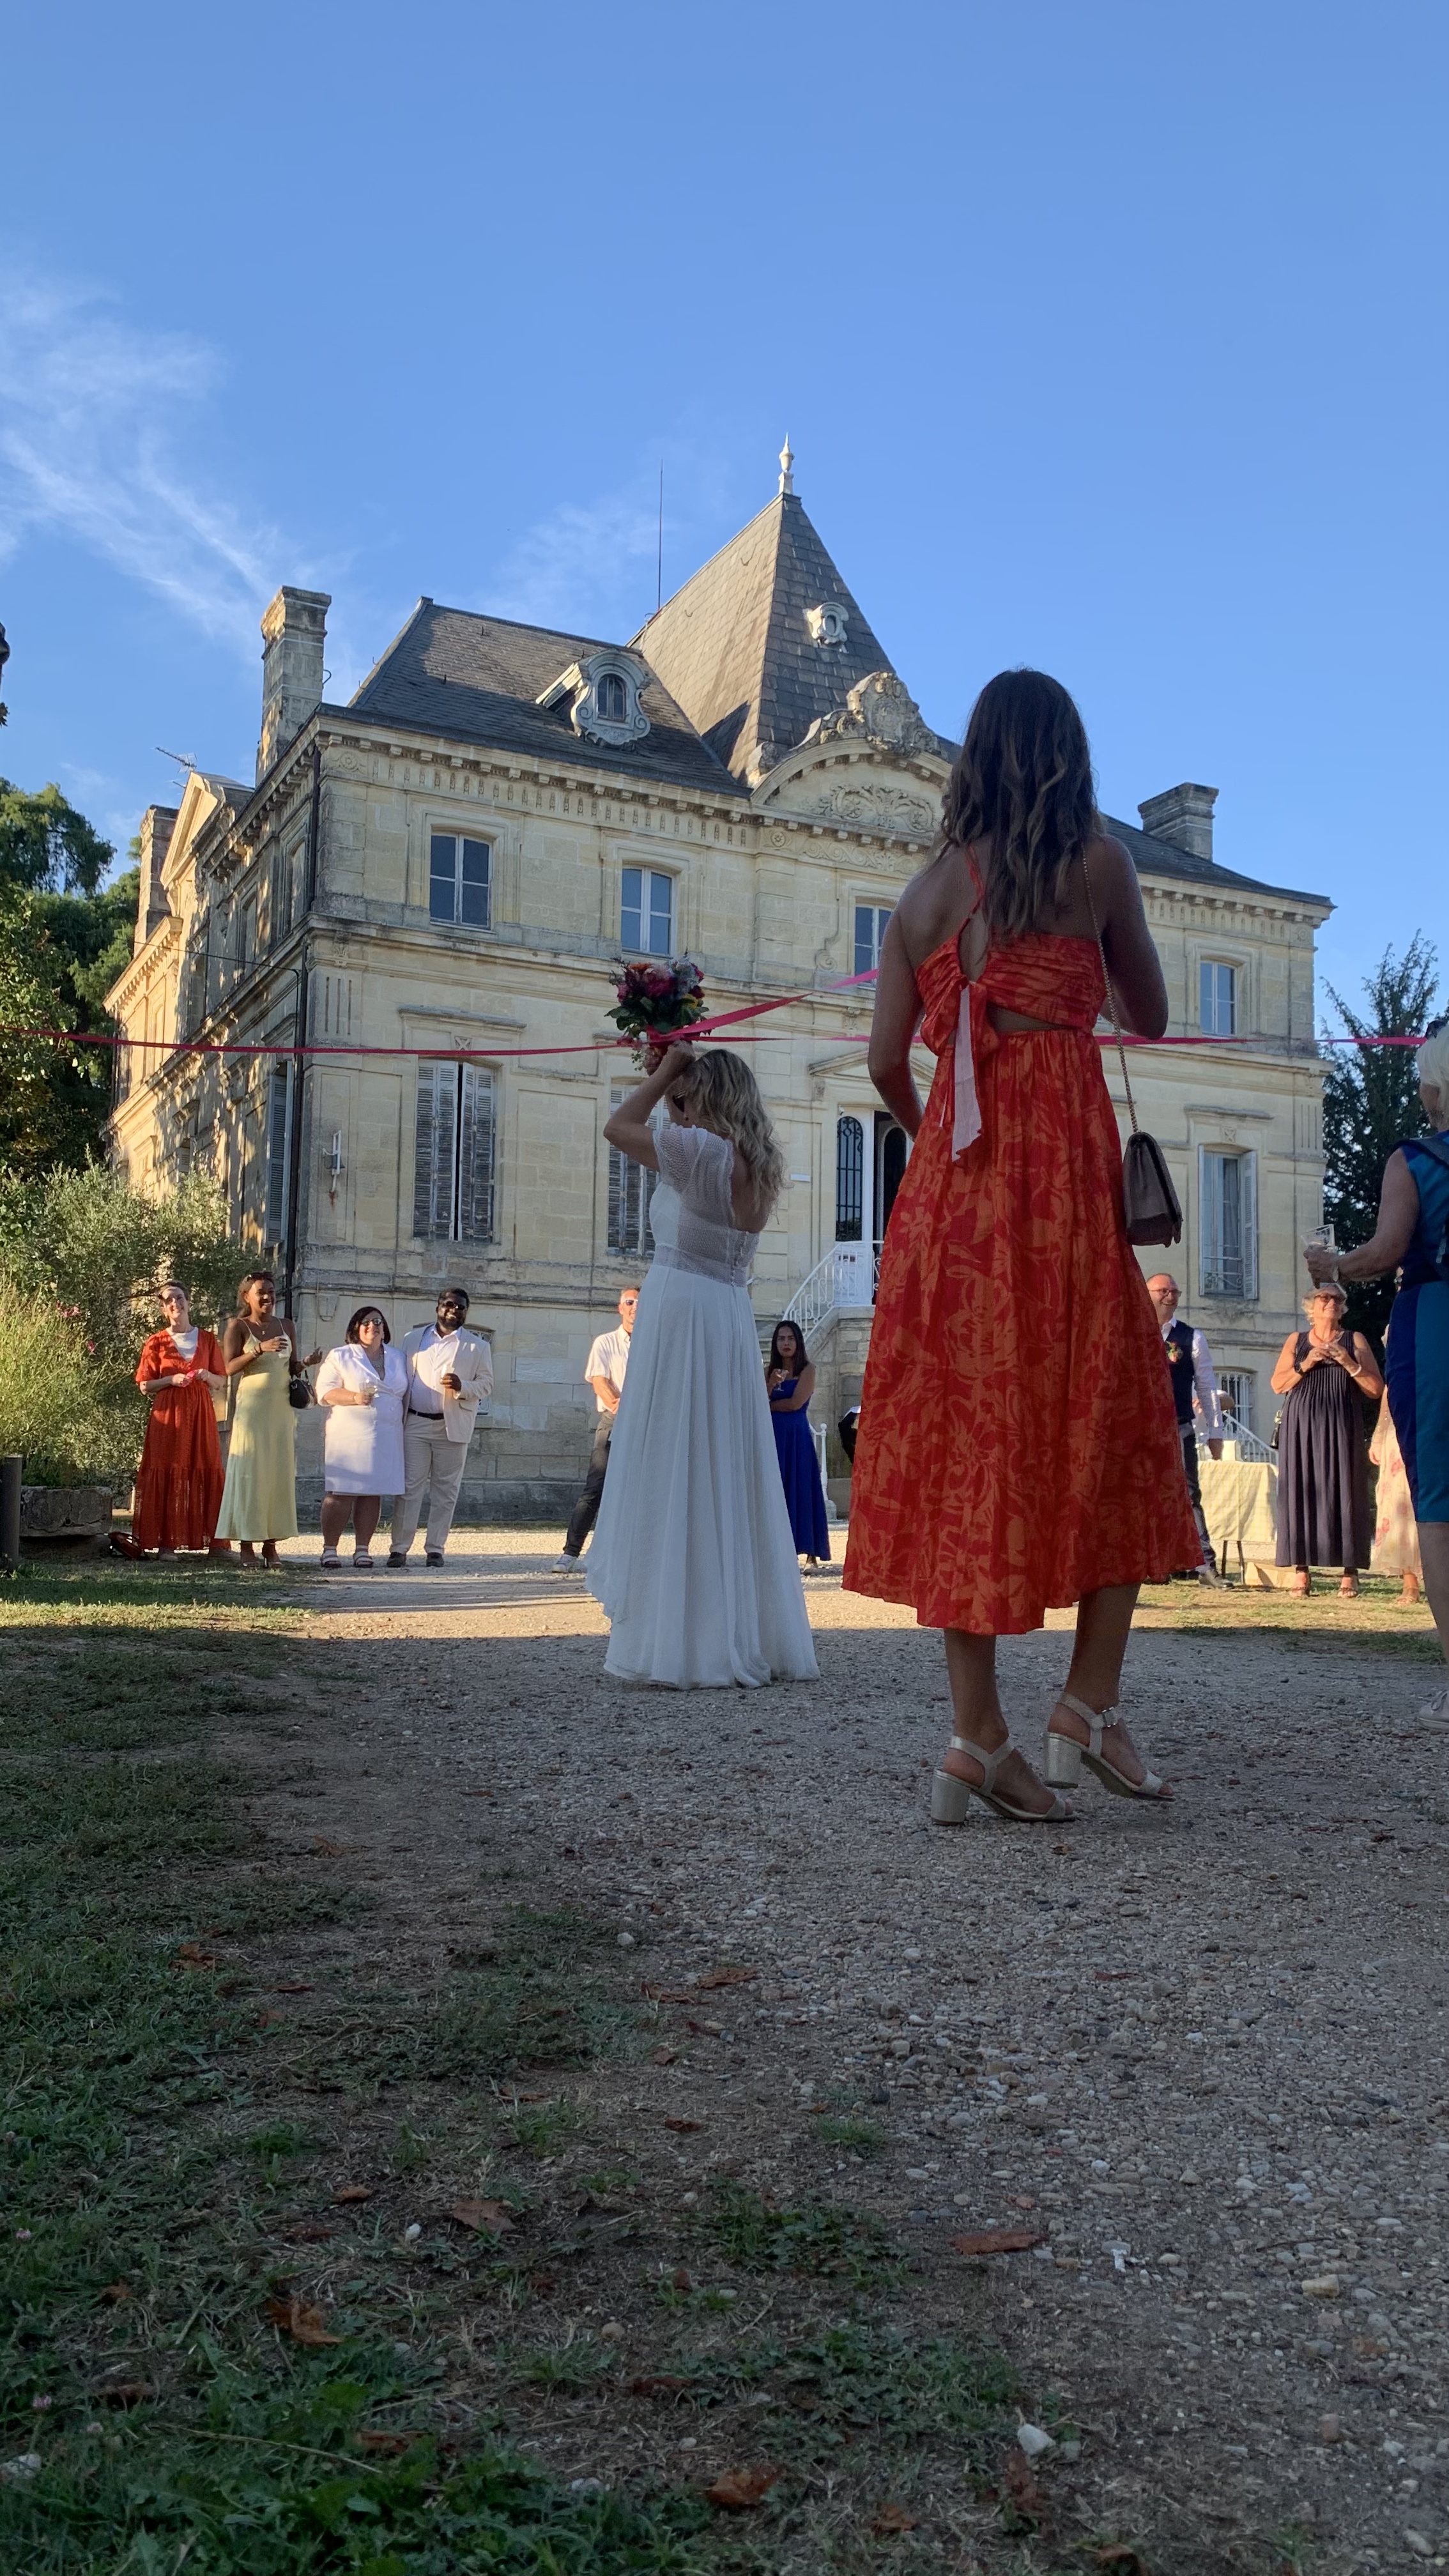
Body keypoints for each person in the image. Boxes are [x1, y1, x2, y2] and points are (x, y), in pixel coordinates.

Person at [843, 667, 1197, 1822]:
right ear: (1066, 755)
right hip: (1062, 1185)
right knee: (1114, 1417)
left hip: (953, 1192)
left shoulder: (922, 897)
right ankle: (1084, 1703)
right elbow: (1148, 1016)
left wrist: (937, 1133)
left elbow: (883, 1062)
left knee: (966, 1438)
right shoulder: (1099, 867)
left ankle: (975, 1735)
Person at [585, 1045, 818, 1689]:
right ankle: (735, 1626)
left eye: (689, 1096)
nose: (678, 1106)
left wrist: (664, 1071)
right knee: (722, 1465)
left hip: (684, 1310)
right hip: (726, 1313)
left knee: (675, 1458)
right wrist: (673, 1080)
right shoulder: (753, 1163)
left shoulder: (699, 1153)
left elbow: (618, 1127)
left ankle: (683, 1637)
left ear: (706, 1098)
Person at [1305, 1015, 1449, 1703]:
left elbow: (1385, 1252)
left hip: (1436, 1320)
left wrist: (1333, 1266)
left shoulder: (1414, 1160)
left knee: (1440, 1504)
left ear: (1435, 1087)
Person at [1269, 1284, 1381, 1597]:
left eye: (1337, 1298)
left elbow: (1375, 1389)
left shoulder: (1354, 1339)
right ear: (1312, 1305)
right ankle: (1301, 1570)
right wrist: (1306, 1364)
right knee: (1301, 1489)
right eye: (1325, 1297)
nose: (1332, 1302)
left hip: (1342, 1424)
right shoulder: (1297, 1340)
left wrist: (1349, 1363)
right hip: (1301, 1426)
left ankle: (1350, 1572)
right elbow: (1278, 1384)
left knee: (1346, 1488)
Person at [388, 1287, 493, 1567]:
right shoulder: (413, 1339)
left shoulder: (477, 1346)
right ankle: (399, 1548)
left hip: (452, 1424)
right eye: (449, 1305)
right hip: (415, 1422)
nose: (454, 1310)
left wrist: (462, 1386)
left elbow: (487, 1384)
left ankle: (435, 1549)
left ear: (466, 1312)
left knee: (446, 1491)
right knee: (409, 1488)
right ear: (438, 1307)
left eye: (460, 1307)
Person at [215, 1274, 307, 1567]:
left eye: (271, 1291)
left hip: (281, 1410)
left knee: (276, 1472)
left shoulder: (287, 1325)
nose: (268, 1297)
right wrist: (258, 1349)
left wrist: (306, 1364)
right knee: (251, 1473)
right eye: (261, 1292)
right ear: (247, 1297)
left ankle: (271, 1545)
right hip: (252, 1410)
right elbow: (229, 1368)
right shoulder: (238, 1327)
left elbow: (291, 1367)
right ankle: (246, 1544)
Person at [132, 1282, 229, 1557]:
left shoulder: (207, 1339)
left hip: (201, 1414)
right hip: (169, 1414)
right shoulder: (156, 1342)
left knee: (206, 1465)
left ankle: (217, 1543)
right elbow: (144, 1385)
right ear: (164, 1309)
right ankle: (167, 1543)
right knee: (168, 1467)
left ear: (188, 1302)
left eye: (180, 1297)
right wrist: (170, 1380)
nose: (176, 1303)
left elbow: (221, 1381)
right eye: (169, 1300)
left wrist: (206, 1375)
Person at [1146, 1273, 1225, 1584]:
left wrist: (1215, 1433)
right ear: (1147, 1294)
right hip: (1139, 1426)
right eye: (1163, 1291)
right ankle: (1150, 1565)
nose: (1170, 1296)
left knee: (1188, 1494)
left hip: (1178, 1425)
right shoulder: (1132, 1330)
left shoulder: (1192, 1337)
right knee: (1142, 1495)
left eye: (1175, 1292)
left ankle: (1205, 1565)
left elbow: (1206, 1386)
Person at [315, 1306, 408, 1570]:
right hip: (350, 1434)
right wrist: (354, 1397)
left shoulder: (398, 1357)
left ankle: (362, 1549)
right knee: (342, 1491)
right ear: (356, 1329)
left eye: (377, 1321)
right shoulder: (341, 1356)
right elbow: (324, 1392)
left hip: (387, 1433)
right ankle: (330, 1549)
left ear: (384, 1328)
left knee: (372, 1492)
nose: (372, 1326)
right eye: (365, 1322)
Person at [555, 1287, 638, 1574]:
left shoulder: (654, 1344)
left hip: (644, 1421)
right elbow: (599, 1380)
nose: (635, 1307)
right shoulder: (606, 1342)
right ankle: (570, 1553)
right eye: (630, 1302)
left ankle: (629, 1557)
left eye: (641, 1303)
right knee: (596, 1487)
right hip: (614, 1419)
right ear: (620, 1308)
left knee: (640, 1489)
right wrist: (619, 1404)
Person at [765, 1320, 831, 1569]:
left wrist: (771, 1405)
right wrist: (770, 1385)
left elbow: (795, 1403)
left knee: (801, 1487)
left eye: (790, 1338)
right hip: (773, 1436)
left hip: (797, 1436)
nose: (786, 1343)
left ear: (798, 1342)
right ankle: (781, 1548)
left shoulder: (808, 1370)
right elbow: (757, 1401)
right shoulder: (768, 1371)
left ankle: (810, 1549)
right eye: (781, 1339)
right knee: (779, 1488)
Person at [1370, 1389, 1422, 1606]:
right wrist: (1379, 1434)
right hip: (1402, 1424)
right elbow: (1391, 1387)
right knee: (1402, 1501)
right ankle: (1410, 1583)